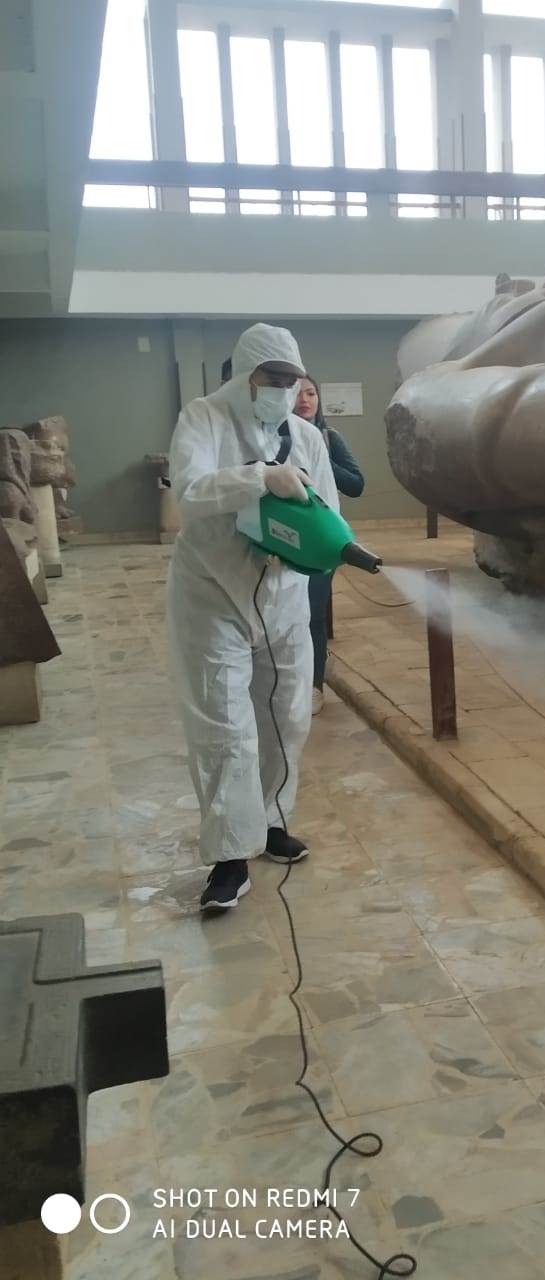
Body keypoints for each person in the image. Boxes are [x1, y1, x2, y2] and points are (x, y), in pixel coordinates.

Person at [167, 323, 340, 912]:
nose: (284, 390)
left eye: (293, 380)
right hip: (214, 592)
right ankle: (229, 856)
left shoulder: (306, 436)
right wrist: (260, 477)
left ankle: (269, 821)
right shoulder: (204, 419)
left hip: (285, 597)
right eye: (273, 378)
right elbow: (190, 491)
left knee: (286, 714)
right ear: (246, 376)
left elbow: (328, 509)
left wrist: (312, 548)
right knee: (224, 722)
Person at [293, 374, 365, 714]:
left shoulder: (328, 437)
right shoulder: (271, 438)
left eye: (311, 393)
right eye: (297, 394)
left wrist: (321, 456)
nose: (305, 400)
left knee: (313, 613)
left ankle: (315, 685)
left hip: (321, 540)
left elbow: (356, 485)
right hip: (282, 539)